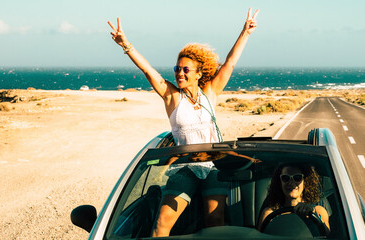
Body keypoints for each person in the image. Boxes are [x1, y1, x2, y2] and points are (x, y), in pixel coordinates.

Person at [108, 8, 259, 237]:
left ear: (199, 73)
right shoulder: (173, 97)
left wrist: (245, 32)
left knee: (215, 223)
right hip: (184, 167)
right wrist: (125, 45)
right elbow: (149, 72)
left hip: (212, 166)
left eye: (185, 69)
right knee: (161, 226)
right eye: (177, 69)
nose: (180, 73)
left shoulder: (210, 92)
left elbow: (229, 64)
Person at [258, 164, 330, 231]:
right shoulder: (269, 214)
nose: (291, 183)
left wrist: (314, 216)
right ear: (280, 182)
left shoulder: (318, 211)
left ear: (305, 181)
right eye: (285, 178)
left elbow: (327, 235)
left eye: (297, 178)